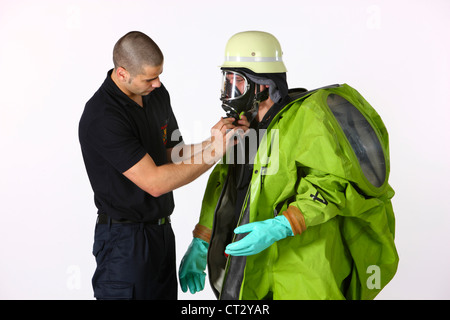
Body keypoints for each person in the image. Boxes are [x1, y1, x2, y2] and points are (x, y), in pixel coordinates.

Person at [178, 31, 399, 300]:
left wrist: (283, 224)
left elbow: (332, 184)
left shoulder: (305, 118)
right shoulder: (243, 129)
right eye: (226, 80)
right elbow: (224, 185)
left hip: (304, 269)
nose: (228, 92)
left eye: (238, 81)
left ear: (263, 84)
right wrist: (203, 238)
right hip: (254, 268)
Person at [78, 31, 248, 300]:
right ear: (122, 74)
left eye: (159, 75)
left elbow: (171, 153)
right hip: (124, 241)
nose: (157, 83)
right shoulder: (103, 117)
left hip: (161, 233)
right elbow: (155, 183)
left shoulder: (155, 95)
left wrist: (217, 139)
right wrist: (216, 151)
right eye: (150, 78)